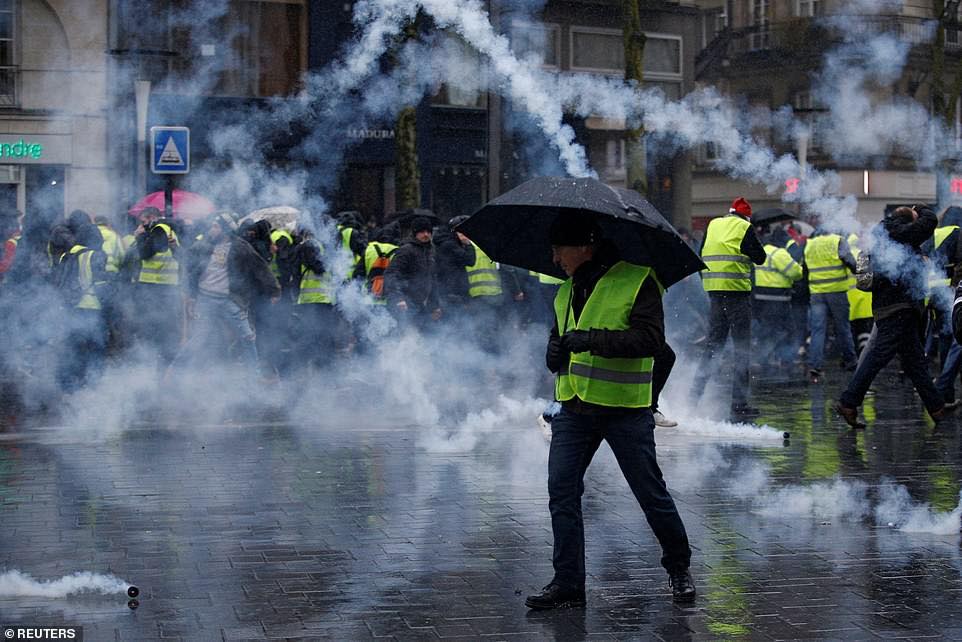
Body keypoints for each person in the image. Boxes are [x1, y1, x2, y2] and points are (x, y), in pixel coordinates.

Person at [525, 212, 694, 610]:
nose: (554, 259)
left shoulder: (637, 280)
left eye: (559, 250)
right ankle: (568, 583)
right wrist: (554, 353)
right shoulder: (564, 291)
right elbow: (561, 341)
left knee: (650, 494)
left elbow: (652, 341)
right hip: (574, 409)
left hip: (624, 410)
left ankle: (679, 567)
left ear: (584, 246)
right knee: (561, 493)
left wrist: (590, 340)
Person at [836, 205, 951, 427]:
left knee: (915, 362)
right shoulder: (898, 233)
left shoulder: (881, 237)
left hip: (894, 307)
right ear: (908, 222)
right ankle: (848, 402)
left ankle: (936, 407)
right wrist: (922, 210)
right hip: (897, 307)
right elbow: (929, 223)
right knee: (878, 356)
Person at [171, 212, 279, 376]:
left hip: (230, 301)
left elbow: (260, 267)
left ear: (225, 230)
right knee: (199, 338)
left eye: (215, 226)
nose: (211, 229)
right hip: (206, 301)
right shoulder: (204, 245)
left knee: (247, 338)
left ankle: (253, 378)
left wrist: (274, 290)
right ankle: (175, 371)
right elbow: (187, 260)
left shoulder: (240, 247)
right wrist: (174, 247)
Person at [688, 197, 766, 421]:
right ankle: (739, 404)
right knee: (742, 349)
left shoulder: (713, 225)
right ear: (746, 216)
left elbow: (701, 254)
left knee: (713, 347)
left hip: (714, 294)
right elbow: (760, 258)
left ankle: (693, 398)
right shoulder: (744, 227)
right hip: (737, 295)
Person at [804, 224, 858, 382]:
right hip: (837, 292)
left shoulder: (810, 244)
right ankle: (850, 361)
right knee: (842, 327)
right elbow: (850, 261)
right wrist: (858, 270)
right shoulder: (838, 241)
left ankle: (815, 366)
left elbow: (805, 267)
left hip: (816, 292)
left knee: (818, 331)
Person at [753, 230, 803, 367]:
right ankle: (786, 358)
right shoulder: (779, 253)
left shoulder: (760, 252)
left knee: (766, 329)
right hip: (778, 298)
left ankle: (763, 358)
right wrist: (799, 268)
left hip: (760, 298)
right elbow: (796, 272)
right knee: (788, 330)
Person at [383, 215, 441, 328]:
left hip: (420, 304)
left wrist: (435, 305)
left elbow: (432, 279)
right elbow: (392, 274)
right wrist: (398, 298)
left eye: (428, 231)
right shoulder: (406, 250)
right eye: (422, 231)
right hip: (405, 304)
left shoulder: (431, 251)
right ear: (415, 233)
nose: (426, 234)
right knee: (406, 338)